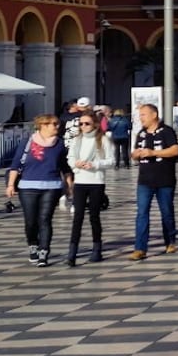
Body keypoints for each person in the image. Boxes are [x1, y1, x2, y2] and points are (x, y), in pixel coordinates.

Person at [5, 114, 72, 266]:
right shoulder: (27, 142)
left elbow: (64, 165)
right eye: (53, 124)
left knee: (45, 219)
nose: (57, 126)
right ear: (43, 125)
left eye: (57, 124)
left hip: (52, 186)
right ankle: (33, 246)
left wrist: (69, 184)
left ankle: (44, 251)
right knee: (30, 222)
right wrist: (10, 185)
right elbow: (15, 165)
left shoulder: (60, 144)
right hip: (27, 186)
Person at [130, 103, 178, 260]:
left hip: (164, 179)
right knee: (142, 213)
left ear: (154, 115)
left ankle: (170, 241)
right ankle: (140, 248)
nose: (141, 118)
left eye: (144, 114)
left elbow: (175, 150)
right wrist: (136, 154)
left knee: (166, 212)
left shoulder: (166, 131)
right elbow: (134, 153)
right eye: (140, 115)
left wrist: (153, 152)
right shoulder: (141, 134)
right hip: (144, 180)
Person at [65, 107, 114, 265]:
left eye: (87, 123)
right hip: (80, 181)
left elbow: (111, 161)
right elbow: (70, 158)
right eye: (81, 124)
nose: (83, 126)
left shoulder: (103, 140)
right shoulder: (77, 140)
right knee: (77, 216)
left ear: (95, 124)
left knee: (94, 216)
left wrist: (94, 164)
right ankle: (72, 252)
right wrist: (76, 164)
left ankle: (96, 249)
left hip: (96, 182)